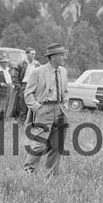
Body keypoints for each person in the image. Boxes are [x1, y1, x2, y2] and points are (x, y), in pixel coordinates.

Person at [22, 43, 70, 177]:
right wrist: (37, 107)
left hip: (60, 110)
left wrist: (65, 104)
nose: (64, 57)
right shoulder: (38, 71)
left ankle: (51, 175)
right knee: (39, 144)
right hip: (44, 110)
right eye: (62, 55)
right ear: (53, 57)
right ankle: (28, 172)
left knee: (57, 146)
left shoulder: (64, 72)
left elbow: (65, 91)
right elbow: (28, 93)